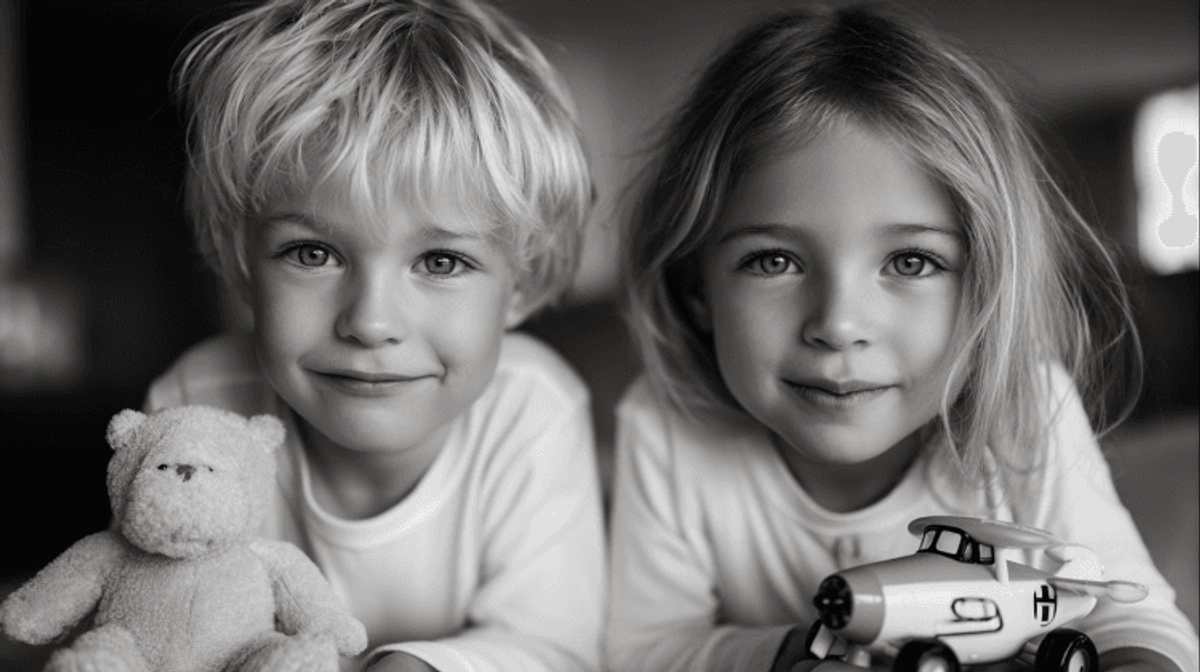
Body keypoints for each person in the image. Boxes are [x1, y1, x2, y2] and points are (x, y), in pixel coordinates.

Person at [607, 5, 1199, 672]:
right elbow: (647, 652)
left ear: (987, 286)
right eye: (774, 260)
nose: (838, 324)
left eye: (911, 262)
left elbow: (1134, 613)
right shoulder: (663, 428)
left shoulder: (1026, 408)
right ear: (697, 290)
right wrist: (792, 652)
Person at [145, 1, 605, 671]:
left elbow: (554, 645)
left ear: (523, 284)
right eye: (311, 253)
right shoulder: (197, 402)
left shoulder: (532, 409)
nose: (370, 322)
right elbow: (163, 624)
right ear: (239, 257)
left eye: (441, 262)